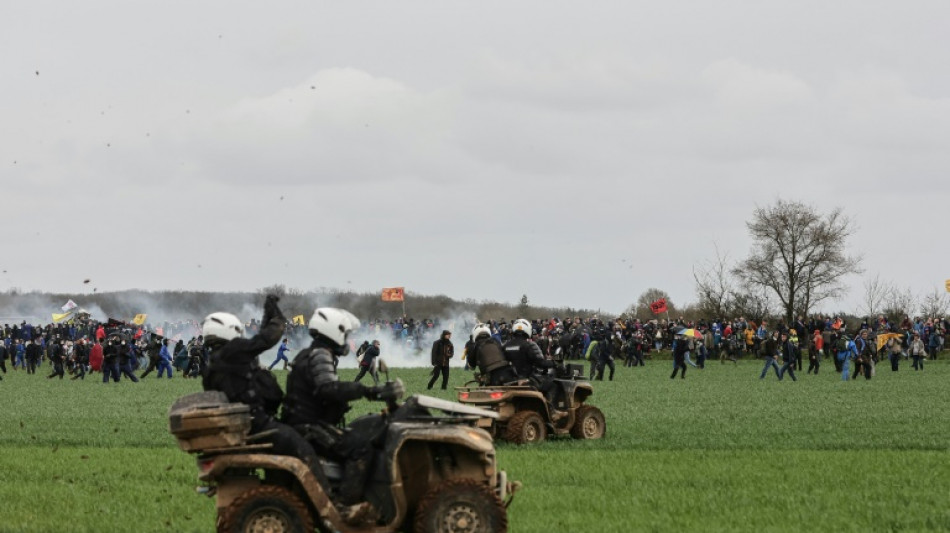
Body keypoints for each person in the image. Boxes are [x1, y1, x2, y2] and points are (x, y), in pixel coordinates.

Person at [202, 296, 328, 505]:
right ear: (230, 331)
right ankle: (327, 504)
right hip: (258, 423)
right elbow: (265, 340)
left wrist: (267, 315)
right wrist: (276, 316)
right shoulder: (233, 351)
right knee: (303, 448)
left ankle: (285, 500)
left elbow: (255, 346)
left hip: (243, 424)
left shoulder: (215, 363)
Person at [281, 307, 402, 523]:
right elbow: (328, 388)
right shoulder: (320, 355)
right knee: (361, 448)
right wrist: (367, 391)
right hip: (308, 426)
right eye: (345, 334)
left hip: (304, 422)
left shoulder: (312, 353)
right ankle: (344, 507)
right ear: (333, 331)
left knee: (357, 434)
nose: (346, 340)